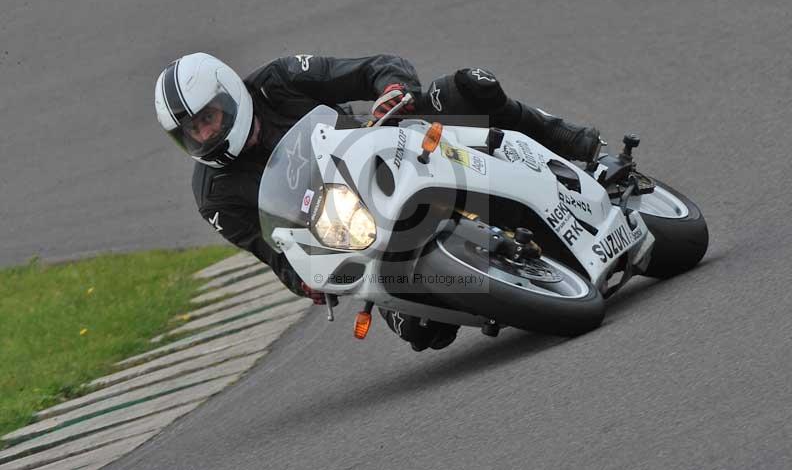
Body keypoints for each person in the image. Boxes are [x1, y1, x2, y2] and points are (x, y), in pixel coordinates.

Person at [155, 52, 601, 352]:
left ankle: (560, 138)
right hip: (354, 232)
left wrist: (392, 87)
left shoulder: (280, 80)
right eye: (191, 131)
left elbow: (375, 67)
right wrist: (308, 280)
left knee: (466, 87)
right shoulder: (214, 196)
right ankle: (504, 282)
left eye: (209, 119)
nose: (205, 135)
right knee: (424, 332)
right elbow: (274, 254)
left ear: (229, 95)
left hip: (389, 152)